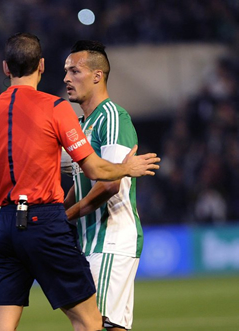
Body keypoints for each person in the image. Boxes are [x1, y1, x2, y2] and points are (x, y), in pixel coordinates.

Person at [0, 32, 159, 331]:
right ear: (41, 66)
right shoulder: (56, 108)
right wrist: (126, 167)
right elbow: (94, 170)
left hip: (7, 224)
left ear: (5, 68)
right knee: (91, 322)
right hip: (46, 221)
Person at [62, 40, 143, 331]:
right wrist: (61, 209)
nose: (66, 78)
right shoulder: (84, 123)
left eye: (74, 71)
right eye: (65, 71)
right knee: (105, 325)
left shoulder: (112, 117)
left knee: (98, 324)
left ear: (97, 75)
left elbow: (109, 184)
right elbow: (80, 180)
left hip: (110, 238)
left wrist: (65, 218)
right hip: (90, 240)